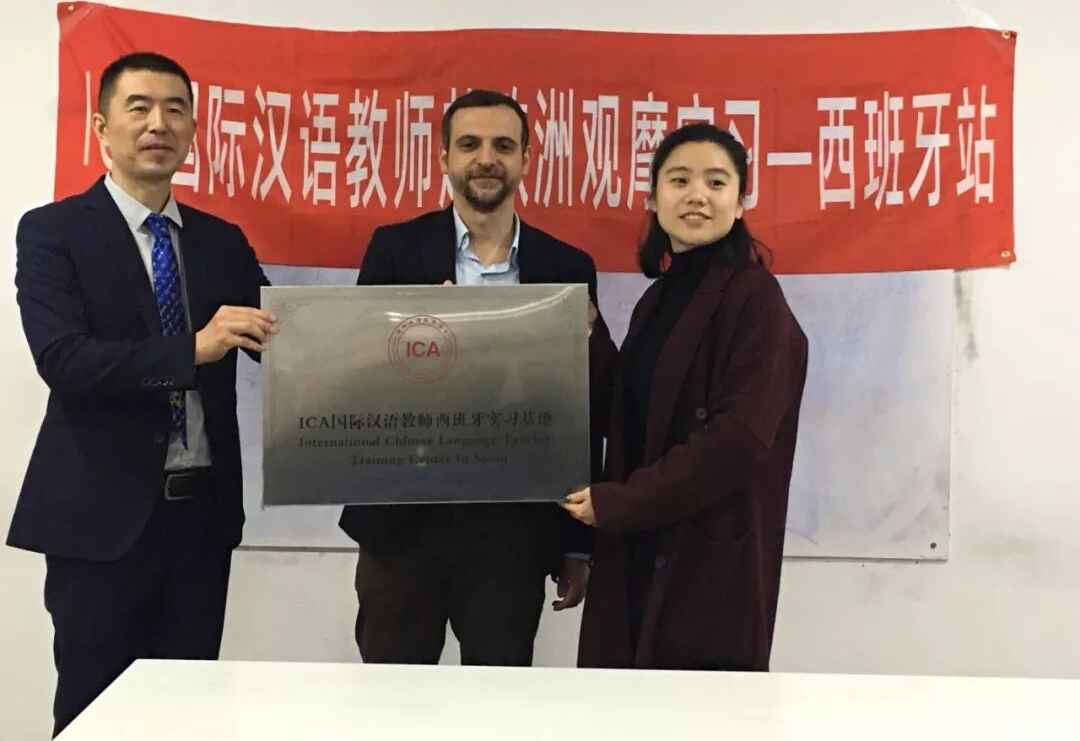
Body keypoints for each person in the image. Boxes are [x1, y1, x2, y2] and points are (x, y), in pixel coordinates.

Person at [8, 52, 276, 735]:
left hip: (200, 520)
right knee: (95, 714)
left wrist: (415, 321)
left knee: (187, 715)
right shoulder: (53, 231)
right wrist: (193, 349)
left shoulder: (221, 241)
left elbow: (286, 335)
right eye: (140, 107)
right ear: (101, 127)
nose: (159, 123)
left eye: (175, 109)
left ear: (193, 130)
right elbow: (64, 360)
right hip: (98, 522)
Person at [339, 89, 617, 666]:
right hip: (402, 527)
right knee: (389, 701)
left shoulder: (566, 267)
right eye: (469, 144)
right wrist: (418, 340)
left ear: (526, 159)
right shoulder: (394, 251)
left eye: (503, 146)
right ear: (444, 157)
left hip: (510, 535)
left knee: (497, 702)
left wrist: (577, 545)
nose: (486, 159)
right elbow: (359, 377)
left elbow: (582, 411)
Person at [562, 122, 808, 671]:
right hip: (638, 550)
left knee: (698, 709)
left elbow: (738, 441)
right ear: (652, 198)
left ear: (739, 204)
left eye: (716, 183)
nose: (697, 194)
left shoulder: (756, 299)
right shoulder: (658, 299)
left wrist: (622, 503)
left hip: (706, 561)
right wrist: (585, 335)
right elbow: (633, 413)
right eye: (679, 180)